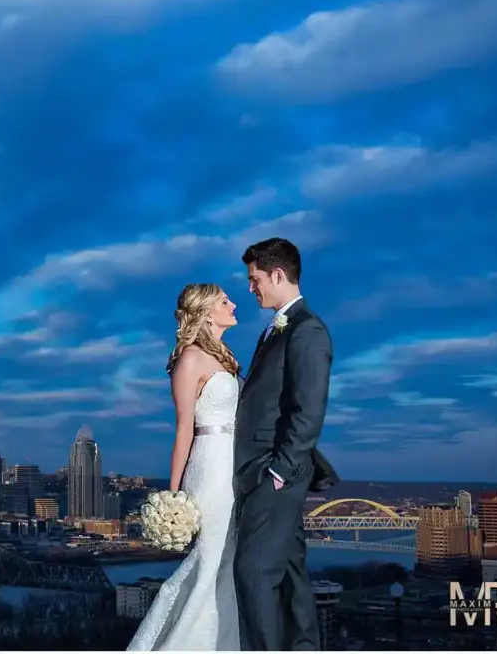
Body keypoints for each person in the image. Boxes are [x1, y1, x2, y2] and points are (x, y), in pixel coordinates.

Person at [233, 237, 339, 651]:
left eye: (254, 278)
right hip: (267, 469)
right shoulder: (279, 327)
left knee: (254, 572)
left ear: (278, 274)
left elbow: (308, 409)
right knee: (291, 573)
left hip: (274, 472)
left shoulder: (307, 329)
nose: (250, 287)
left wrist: (279, 471)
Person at [127, 282, 242, 651]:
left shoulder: (225, 356)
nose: (234, 304)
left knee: (229, 560)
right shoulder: (190, 359)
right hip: (210, 468)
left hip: (234, 465)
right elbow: (183, 429)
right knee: (211, 560)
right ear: (206, 311)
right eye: (225, 301)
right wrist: (174, 494)